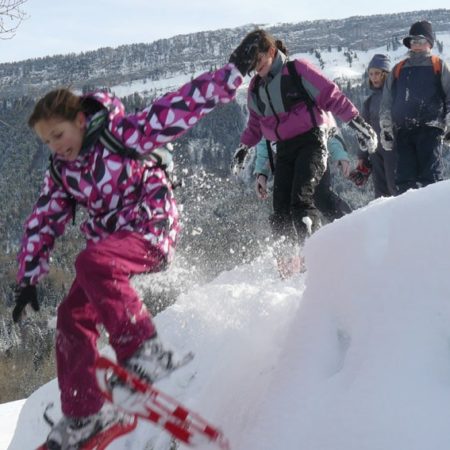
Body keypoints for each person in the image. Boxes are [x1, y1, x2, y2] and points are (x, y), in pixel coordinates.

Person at [12, 60, 246, 449]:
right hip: (110, 249)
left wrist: (234, 70)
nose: (56, 146)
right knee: (71, 317)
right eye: (47, 141)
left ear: (80, 119)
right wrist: (28, 276)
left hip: (151, 229)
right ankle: (86, 414)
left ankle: (145, 350)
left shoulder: (122, 133)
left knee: (90, 262)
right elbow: (44, 218)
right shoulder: (63, 171)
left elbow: (181, 105)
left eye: (58, 134)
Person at [230, 29, 377, 277]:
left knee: (301, 200)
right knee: (280, 209)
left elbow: (332, 97)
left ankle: (314, 263)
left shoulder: (297, 70)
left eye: (260, 62)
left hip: (312, 141)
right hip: (284, 149)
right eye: (252, 66)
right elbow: (256, 124)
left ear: (271, 52)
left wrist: (357, 123)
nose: (257, 69)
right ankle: (288, 266)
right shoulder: (256, 88)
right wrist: (244, 148)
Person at [379, 20, 450, 194]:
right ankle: (408, 218)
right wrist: (386, 130)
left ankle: (433, 217)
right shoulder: (398, 69)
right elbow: (386, 102)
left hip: (431, 129)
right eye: (412, 41)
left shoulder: (438, 65)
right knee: (404, 180)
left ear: (430, 42)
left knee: (431, 178)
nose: (416, 45)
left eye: (420, 40)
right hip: (404, 132)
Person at [352, 54, 398, 197]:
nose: (374, 77)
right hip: (376, 154)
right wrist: (362, 157)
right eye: (371, 74)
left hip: (396, 152)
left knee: (397, 190)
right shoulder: (369, 102)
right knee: (381, 196)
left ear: (386, 74)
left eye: (377, 73)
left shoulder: (397, 95)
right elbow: (363, 132)